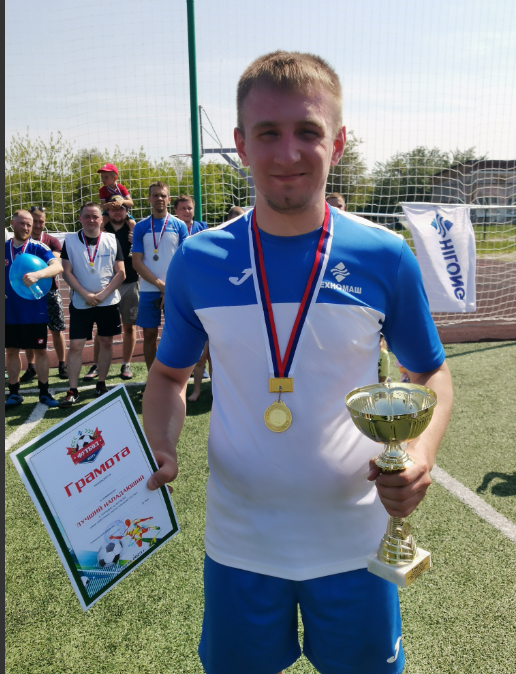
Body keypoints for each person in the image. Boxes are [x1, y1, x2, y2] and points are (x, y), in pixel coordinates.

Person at [142, 51, 453, 674]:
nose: (287, 153)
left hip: (356, 543)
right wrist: (162, 442)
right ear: (240, 144)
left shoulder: (384, 255)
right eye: (268, 133)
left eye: (308, 131)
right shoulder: (198, 261)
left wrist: (419, 454)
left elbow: (430, 374)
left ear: (337, 142)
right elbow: (169, 376)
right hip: (239, 544)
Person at [59, 202, 125, 408]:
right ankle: (72, 390)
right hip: (81, 301)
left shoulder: (112, 239)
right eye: (86, 216)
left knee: (106, 342)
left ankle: (101, 384)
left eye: (95, 216)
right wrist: (85, 294)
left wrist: (102, 295)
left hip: (108, 301)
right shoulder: (70, 241)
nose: (91, 220)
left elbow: (121, 273)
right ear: (80, 219)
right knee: (76, 346)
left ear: (101, 219)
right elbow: (66, 272)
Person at [5, 210, 63, 408]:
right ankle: (14, 393)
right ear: (12, 223)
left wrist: (38, 275)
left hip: (34, 311)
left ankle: (44, 393)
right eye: (22, 223)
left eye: (29, 224)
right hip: (9, 311)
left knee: (40, 351)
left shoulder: (38, 247)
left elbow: (57, 267)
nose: (26, 228)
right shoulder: (4, 248)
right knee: (11, 351)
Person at [131, 182, 188, 382]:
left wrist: (168, 288)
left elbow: (184, 260)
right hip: (149, 290)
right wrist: (159, 285)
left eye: (163, 195)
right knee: (149, 335)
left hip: (174, 290)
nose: (159, 199)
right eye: (155, 195)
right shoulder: (141, 227)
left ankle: (175, 377)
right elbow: (136, 262)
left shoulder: (179, 225)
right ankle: (153, 379)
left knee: (175, 334)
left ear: (169, 199)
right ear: (149, 199)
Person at [84, 196, 139, 381]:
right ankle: (96, 364)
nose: (117, 211)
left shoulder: (134, 230)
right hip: (106, 286)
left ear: (126, 211)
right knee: (102, 329)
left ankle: (126, 364)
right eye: (113, 208)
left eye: (121, 208)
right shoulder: (99, 230)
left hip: (130, 283)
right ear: (107, 211)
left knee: (129, 327)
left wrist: (136, 240)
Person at [22, 206, 68, 382]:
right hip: (27, 293)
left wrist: (36, 269)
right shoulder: (21, 242)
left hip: (50, 291)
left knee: (57, 329)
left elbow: (54, 264)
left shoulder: (51, 241)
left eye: (41, 221)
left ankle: (62, 364)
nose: (37, 225)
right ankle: (31, 366)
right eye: (34, 221)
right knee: (29, 329)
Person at [173, 194, 210, 401]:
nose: (187, 211)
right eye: (183, 208)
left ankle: (207, 384)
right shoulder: (171, 229)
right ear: (176, 211)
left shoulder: (204, 228)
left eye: (189, 208)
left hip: (201, 288)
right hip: (180, 286)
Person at [97, 163, 135, 232]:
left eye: (106, 177)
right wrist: (109, 205)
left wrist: (121, 202)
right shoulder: (102, 190)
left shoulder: (121, 188)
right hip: (109, 213)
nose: (103, 180)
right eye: (102, 177)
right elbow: (103, 206)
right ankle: (102, 234)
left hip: (123, 212)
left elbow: (131, 203)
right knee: (100, 223)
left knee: (132, 223)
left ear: (115, 178)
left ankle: (132, 235)